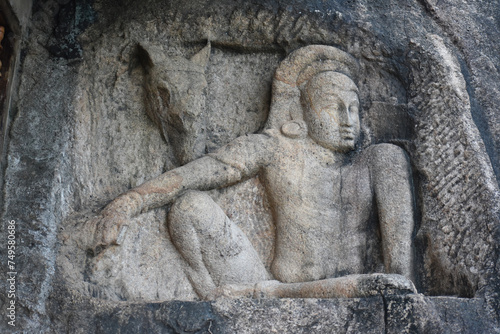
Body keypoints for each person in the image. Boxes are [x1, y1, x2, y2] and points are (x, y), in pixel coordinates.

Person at [89, 45, 416, 300]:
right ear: (301, 109)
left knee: (391, 284)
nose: (347, 119)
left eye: (354, 108)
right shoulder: (276, 147)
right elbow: (198, 173)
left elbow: (398, 279)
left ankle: (261, 296)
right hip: (264, 282)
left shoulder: (379, 160)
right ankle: (217, 297)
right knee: (191, 205)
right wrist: (126, 203)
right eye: (333, 106)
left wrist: (399, 283)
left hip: (336, 288)